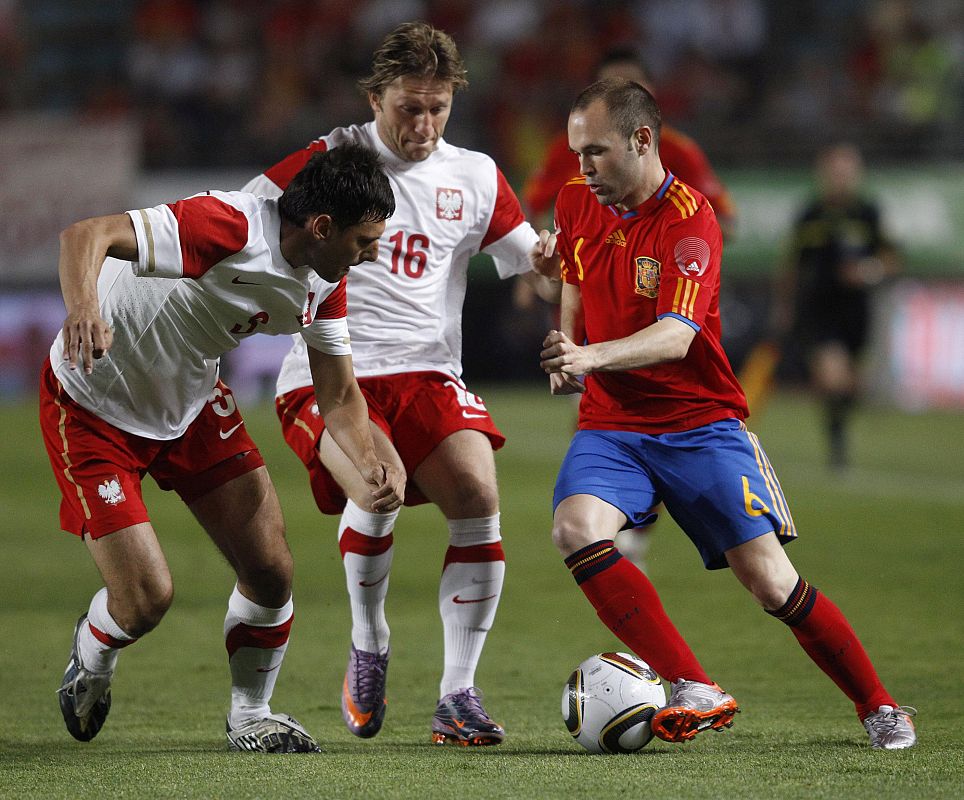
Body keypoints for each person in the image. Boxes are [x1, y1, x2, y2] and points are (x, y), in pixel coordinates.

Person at [534, 78, 916, 750]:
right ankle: (693, 683)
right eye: (576, 153)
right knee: (575, 529)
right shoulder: (573, 202)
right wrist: (567, 342)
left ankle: (880, 705)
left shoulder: (691, 217)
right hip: (614, 425)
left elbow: (677, 336)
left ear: (642, 140)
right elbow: (573, 272)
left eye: (595, 151)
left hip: (700, 423)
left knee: (771, 582)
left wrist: (589, 355)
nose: (583, 167)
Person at [242, 21, 558, 747]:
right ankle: (369, 643)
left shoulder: (475, 175)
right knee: (377, 482)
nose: (423, 124)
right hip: (329, 371)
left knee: (479, 493)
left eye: (437, 107)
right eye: (408, 107)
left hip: (428, 370)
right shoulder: (331, 160)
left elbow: (526, 263)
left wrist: (546, 267)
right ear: (375, 97)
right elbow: (249, 211)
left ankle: (458, 694)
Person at [40, 144, 405, 753]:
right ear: (321, 227)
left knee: (270, 570)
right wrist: (83, 310)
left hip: (190, 404)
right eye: (364, 241)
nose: (372, 254)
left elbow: (339, 397)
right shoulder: (227, 225)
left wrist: (368, 462)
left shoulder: (322, 285)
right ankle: (94, 650)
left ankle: (251, 715)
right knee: (146, 600)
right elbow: (87, 233)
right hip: (92, 407)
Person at [521, 48, 738, 570]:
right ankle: (627, 523)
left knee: (765, 575)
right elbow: (566, 253)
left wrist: (685, 260)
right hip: (602, 336)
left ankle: (637, 515)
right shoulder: (574, 171)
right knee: (580, 510)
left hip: (673, 335)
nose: (586, 164)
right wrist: (547, 286)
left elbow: (717, 219)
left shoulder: (680, 160)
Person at [772, 143, 900, 470]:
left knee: (852, 385)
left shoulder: (868, 213)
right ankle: (837, 447)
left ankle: (838, 429)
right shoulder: (810, 214)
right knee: (832, 378)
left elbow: (892, 258)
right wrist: (785, 306)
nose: (841, 178)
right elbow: (791, 265)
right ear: (824, 174)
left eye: (847, 171)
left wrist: (868, 271)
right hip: (819, 310)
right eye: (835, 171)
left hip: (857, 311)